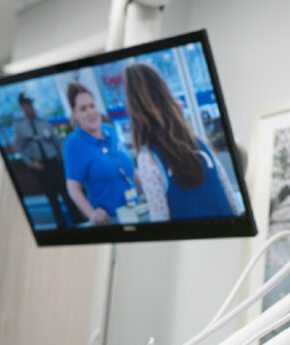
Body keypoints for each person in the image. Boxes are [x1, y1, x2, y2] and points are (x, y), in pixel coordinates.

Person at [123, 63, 238, 222]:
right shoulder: (199, 142)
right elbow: (230, 198)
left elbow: (160, 220)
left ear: (134, 107)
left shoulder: (148, 158)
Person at [62, 82, 139, 226]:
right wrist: (91, 214)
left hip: (137, 210)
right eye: (83, 109)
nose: (91, 112)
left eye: (92, 106)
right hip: (111, 220)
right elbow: (73, 188)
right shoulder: (74, 142)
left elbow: (130, 170)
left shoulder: (110, 130)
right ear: (75, 113)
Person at [14, 92, 84, 228]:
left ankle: (78, 223)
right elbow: (20, 150)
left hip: (54, 164)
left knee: (67, 195)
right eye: (28, 105)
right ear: (23, 107)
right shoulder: (20, 127)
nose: (31, 108)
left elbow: (57, 143)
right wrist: (31, 163)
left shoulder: (43, 123)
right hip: (40, 167)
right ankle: (62, 228)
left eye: (32, 104)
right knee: (52, 200)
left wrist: (62, 160)